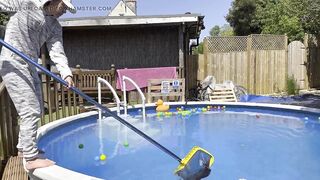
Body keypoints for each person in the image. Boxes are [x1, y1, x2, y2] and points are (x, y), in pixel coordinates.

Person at [0, 0, 76, 171]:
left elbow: (57, 51)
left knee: (38, 108)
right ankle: (30, 157)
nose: (64, 11)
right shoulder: (27, 4)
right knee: (30, 109)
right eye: (63, 6)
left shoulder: (55, 26)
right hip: (12, 62)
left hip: (30, 65)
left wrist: (66, 73)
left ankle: (23, 148)